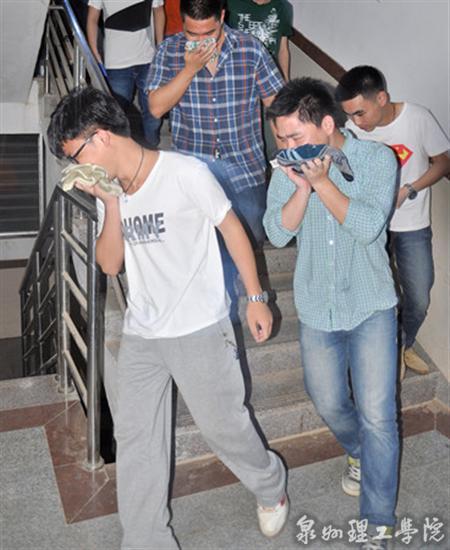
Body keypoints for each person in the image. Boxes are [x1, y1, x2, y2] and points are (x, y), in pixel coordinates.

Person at [47, 86, 288, 550]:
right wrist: (110, 203)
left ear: (100, 137)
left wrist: (256, 296)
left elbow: (232, 229)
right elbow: (110, 264)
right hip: (143, 333)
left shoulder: (184, 173)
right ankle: (147, 540)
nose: (75, 167)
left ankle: (270, 483)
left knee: (224, 429)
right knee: (136, 439)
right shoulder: (112, 191)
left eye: (75, 155)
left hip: (199, 328)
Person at [263, 78, 399, 550]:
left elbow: (367, 226)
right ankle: (359, 451)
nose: (286, 147)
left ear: (326, 124)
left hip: (370, 304)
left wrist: (323, 183)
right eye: (280, 138)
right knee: (327, 400)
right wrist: (302, 187)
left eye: (294, 136)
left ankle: (378, 524)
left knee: (379, 416)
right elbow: (276, 233)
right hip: (317, 307)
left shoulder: (376, 159)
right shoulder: (287, 168)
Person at [147, 0, 284, 323]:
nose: (200, 41)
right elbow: (155, 107)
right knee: (203, 254)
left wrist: (286, 162)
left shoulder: (250, 49)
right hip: (194, 175)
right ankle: (221, 323)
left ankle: (237, 309)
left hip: (245, 172)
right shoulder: (169, 51)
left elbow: (278, 107)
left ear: (222, 17)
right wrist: (189, 69)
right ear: (182, 22)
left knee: (244, 249)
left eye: (208, 32)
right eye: (192, 33)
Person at [335, 66, 450, 379]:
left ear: (382, 98)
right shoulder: (352, 130)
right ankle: (382, 353)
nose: (356, 122)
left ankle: (403, 342)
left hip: (412, 224)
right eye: (349, 115)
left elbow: (443, 162)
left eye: (360, 113)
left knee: (419, 296)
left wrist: (408, 189)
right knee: (369, 294)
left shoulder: (418, 118)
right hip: (371, 226)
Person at [86, 0, 165, 148]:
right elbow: (92, 18)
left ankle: (151, 147)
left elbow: (158, 10)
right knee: (117, 114)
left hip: (148, 58)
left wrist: (160, 47)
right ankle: (121, 151)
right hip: (116, 62)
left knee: (153, 113)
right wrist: (94, 51)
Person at [226, 0, 292, 81]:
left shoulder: (283, 6)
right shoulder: (231, 3)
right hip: (237, 72)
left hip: (268, 75)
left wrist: (286, 79)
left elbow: (283, 48)